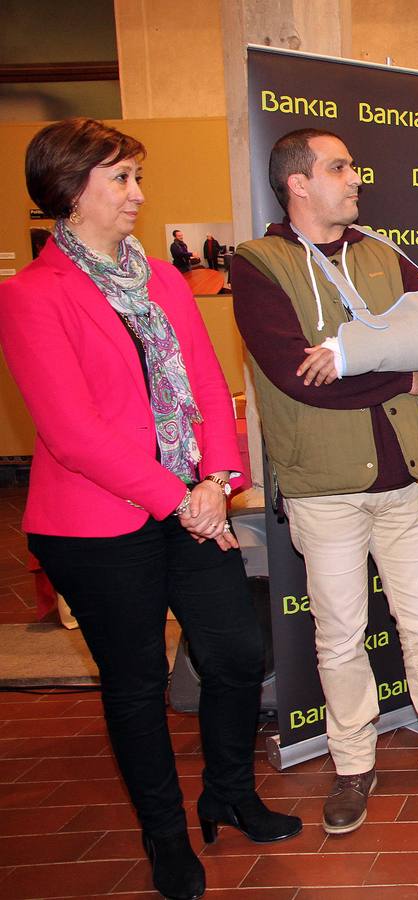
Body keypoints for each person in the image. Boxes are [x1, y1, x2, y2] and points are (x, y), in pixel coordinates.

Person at [0, 117, 301, 900]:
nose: (138, 193)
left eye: (137, 176)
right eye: (122, 179)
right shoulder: (32, 296)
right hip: (96, 526)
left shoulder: (163, 279)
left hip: (189, 504)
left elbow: (206, 383)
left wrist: (218, 477)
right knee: (134, 683)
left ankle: (228, 793)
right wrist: (183, 500)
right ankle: (165, 837)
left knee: (235, 653)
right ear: (71, 190)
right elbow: (71, 433)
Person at [232, 128, 418, 834]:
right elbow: (295, 379)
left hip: (401, 476)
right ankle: (352, 764)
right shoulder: (258, 263)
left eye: (353, 166)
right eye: (338, 167)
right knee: (340, 635)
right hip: (323, 485)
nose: (355, 177)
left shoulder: (381, 253)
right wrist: (401, 368)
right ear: (298, 183)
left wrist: (357, 360)